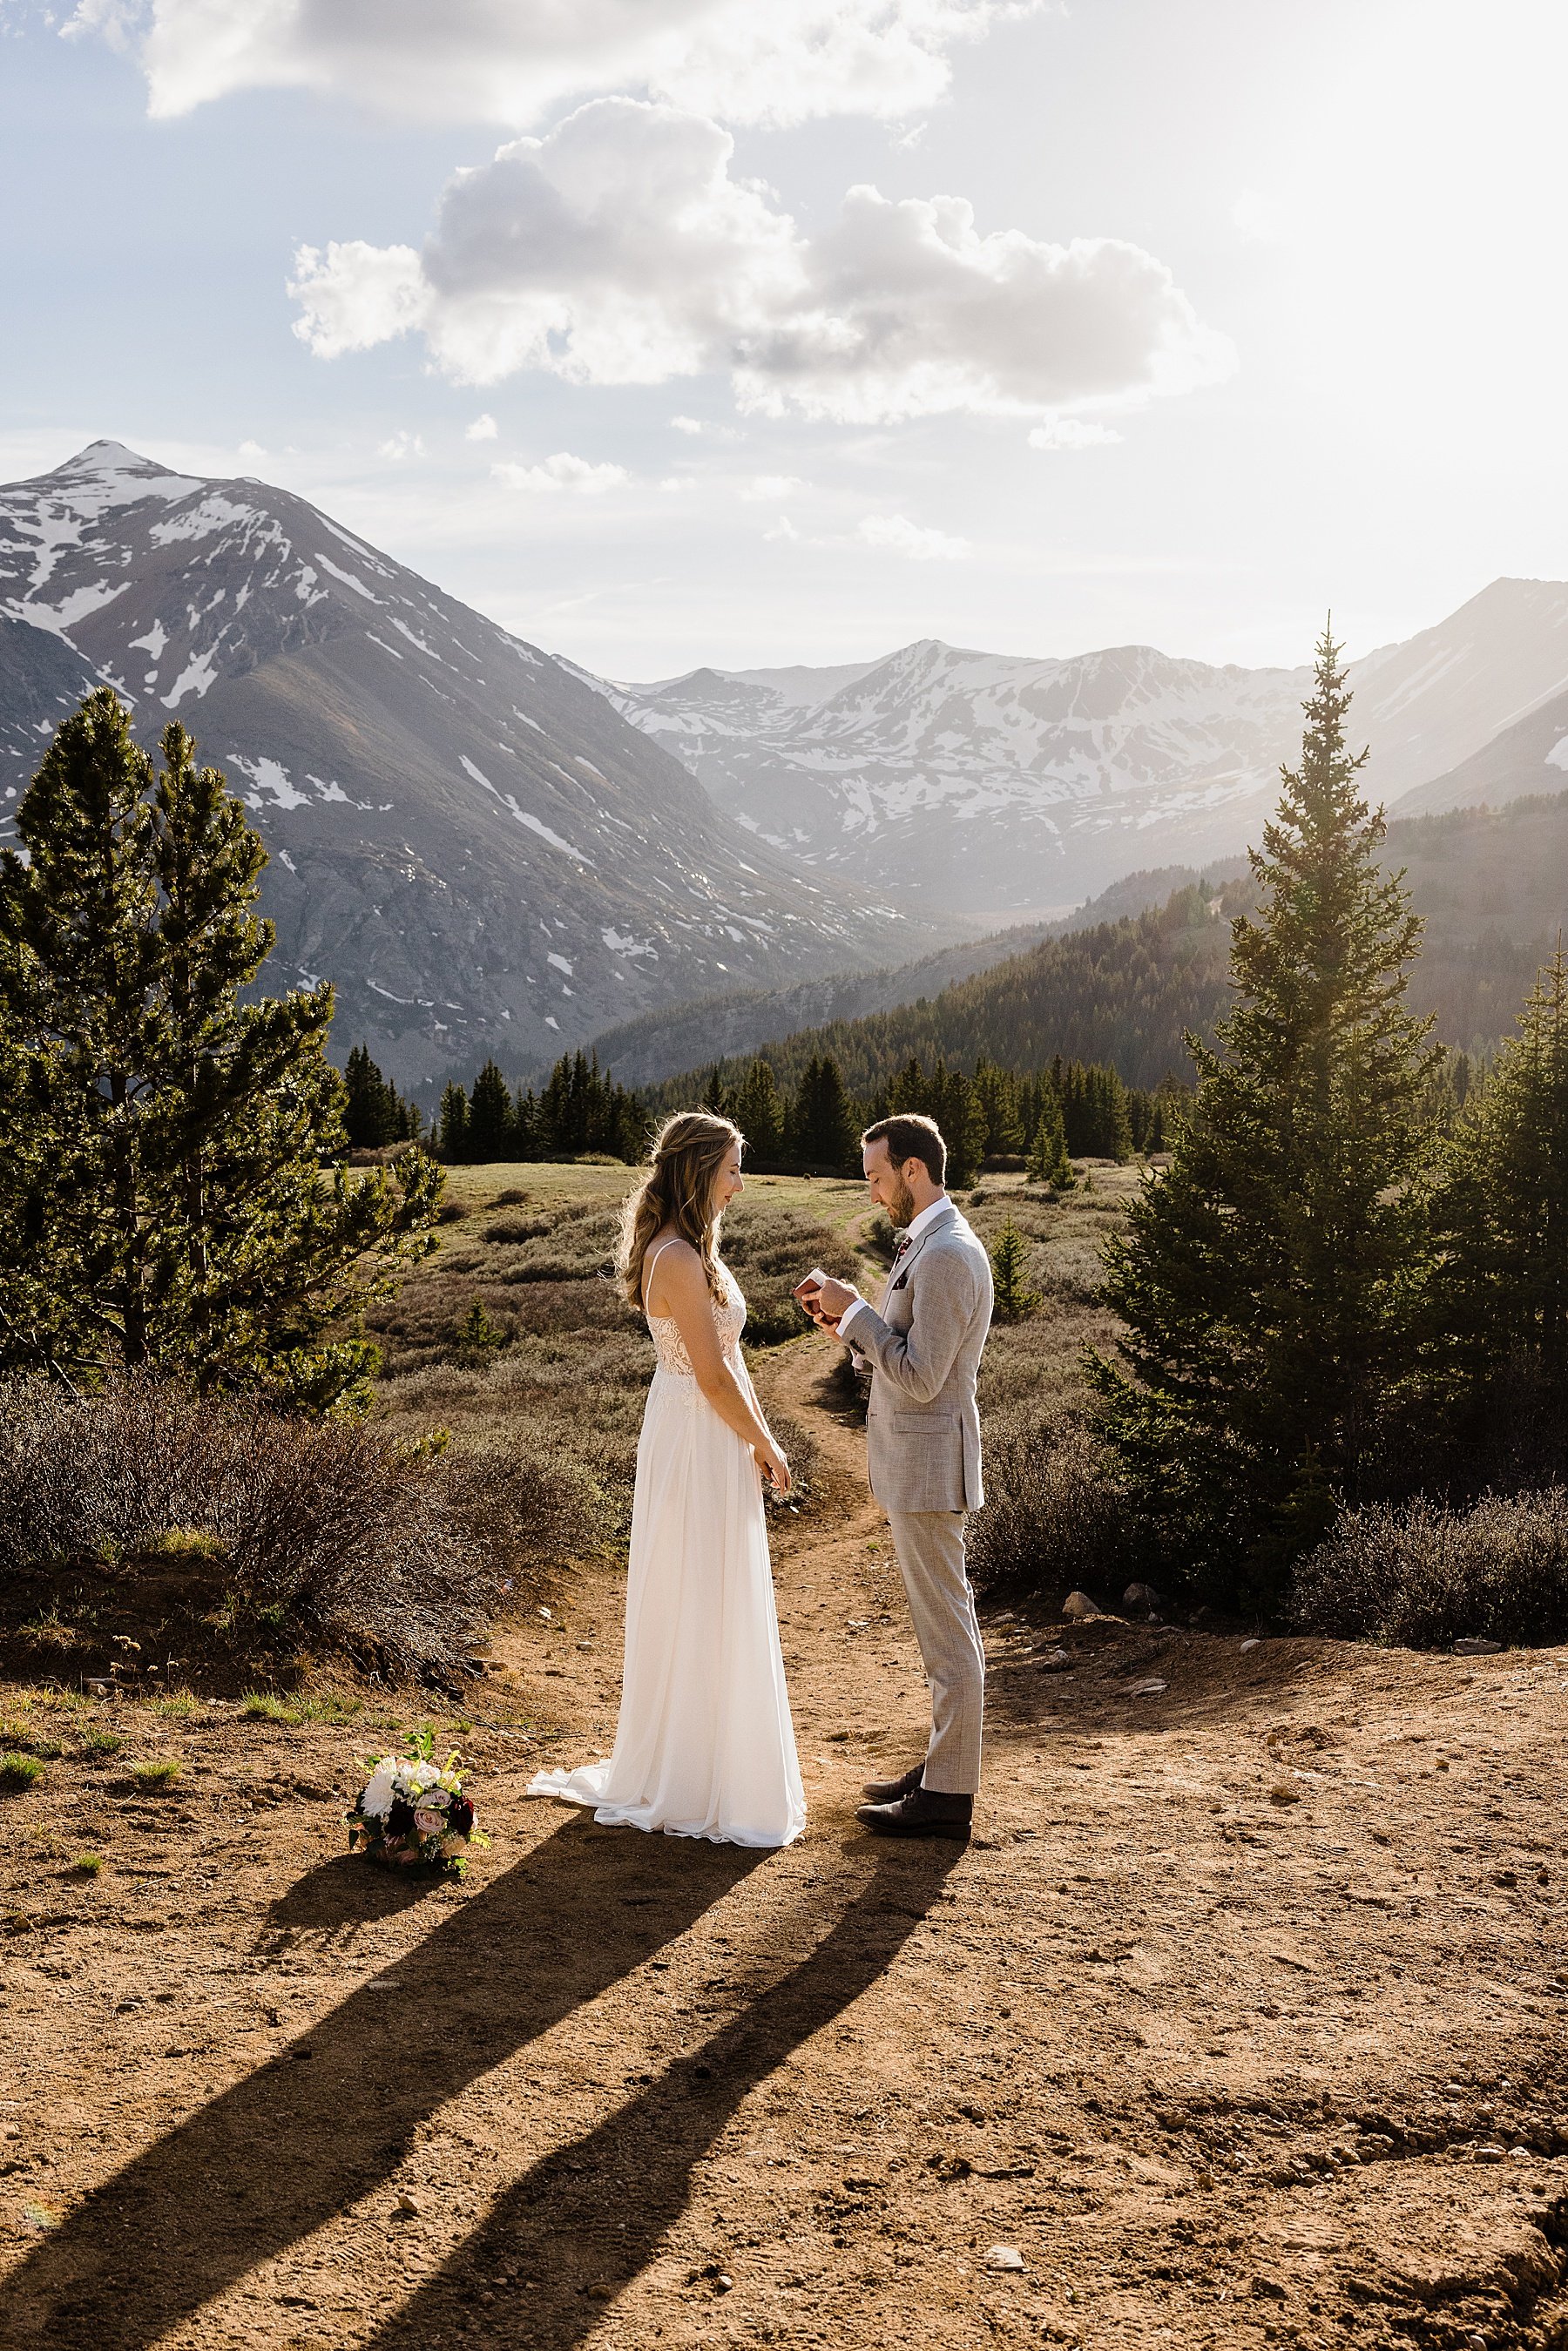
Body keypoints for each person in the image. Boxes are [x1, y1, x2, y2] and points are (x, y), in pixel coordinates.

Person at [527, 1111, 805, 1848]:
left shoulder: (694, 1250)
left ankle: (715, 1758)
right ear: (700, 1169)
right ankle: (692, 1774)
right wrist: (768, 1442)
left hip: (710, 1435)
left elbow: (727, 1368)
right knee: (696, 1586)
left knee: (712, 1586)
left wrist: (748, 1440)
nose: (740, 1184)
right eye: (733, 1169)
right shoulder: (678, 1257)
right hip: (693, 1436)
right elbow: (712, 1376)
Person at [802, 1115, 993, 1838]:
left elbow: (920, 1376)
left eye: (877, 1177)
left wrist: (857, 1313)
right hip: (919, 1463)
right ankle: (945, 1769)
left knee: (949, 1632)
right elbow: (902, 1354)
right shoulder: (933, 1243)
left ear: (914, 1170)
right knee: (945, 1624)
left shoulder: (945, 1254)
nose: (873, 1191)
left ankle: (948, 1798)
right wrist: (848, 1331)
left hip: (929, 1465)